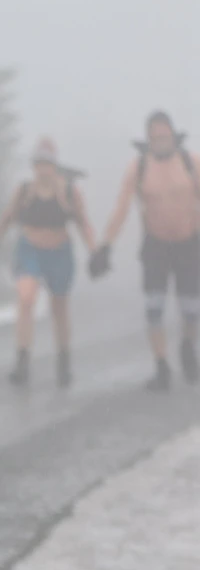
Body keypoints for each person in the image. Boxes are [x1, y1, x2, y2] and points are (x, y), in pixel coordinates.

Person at [91, 111, 200, 390]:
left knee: (191, 309)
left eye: (164, 136)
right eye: (155, 137)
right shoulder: (139, 168)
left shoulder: (191, 162)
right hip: (156, 245)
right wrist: (106, 246)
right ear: (148, 139)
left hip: (188, 243)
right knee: (154, 306)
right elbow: (121, 207)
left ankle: (188, 344)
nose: (160, 141)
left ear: (173, 136)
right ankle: (161, 365)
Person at [0, 137, 97, 387]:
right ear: (34, 166)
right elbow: (8, 217)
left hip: (59, 252)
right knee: (26, 298)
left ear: (54, 165)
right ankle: (22, 361)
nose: (43, 169)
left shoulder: (68, 191)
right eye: (39, 164)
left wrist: (94, 252)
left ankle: (63, 361)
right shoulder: (24, 191)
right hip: (30, 249)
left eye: (48, 163)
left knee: (59, 307)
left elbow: (83, 222)